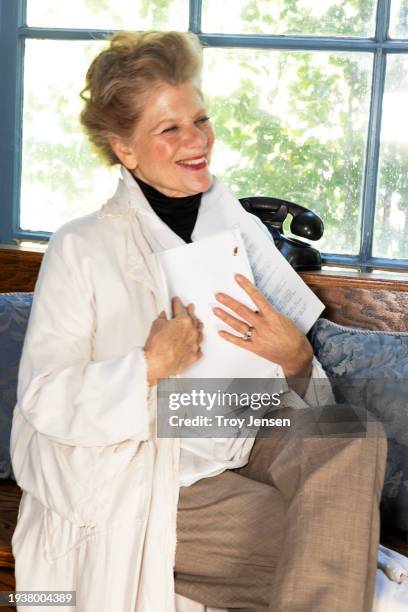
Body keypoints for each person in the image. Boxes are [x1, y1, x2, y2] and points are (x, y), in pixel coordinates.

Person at [10, 31, 386, 612]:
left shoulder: (239, 229)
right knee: (333, 547)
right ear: (125, 149)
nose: (197, 141)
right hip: (144, 449)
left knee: (355, 432)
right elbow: (44, 399)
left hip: (230, 412)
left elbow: (285, 382)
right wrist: (147, 367)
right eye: (170, 129)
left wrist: (296, 360)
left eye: (200, 119)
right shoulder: (80, 246)